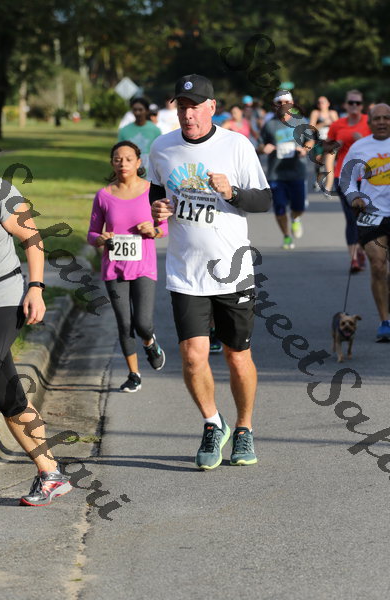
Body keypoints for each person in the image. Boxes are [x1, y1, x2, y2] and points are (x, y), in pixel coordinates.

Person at [149, 73, 271, 470]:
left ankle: (244, 427)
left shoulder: (236, 145)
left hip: (231, 270)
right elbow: (156, 194)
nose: (188, 115)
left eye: (195, 107)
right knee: (192, 356)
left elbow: (264, 200)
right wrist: (157, 209)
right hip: (186, 270)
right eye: (182, 107)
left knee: (237, 356)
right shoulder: (162, 147)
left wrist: (232, 192)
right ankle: (212, 422)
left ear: (212, 107)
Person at [0, 175, 72, 506]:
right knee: (8, 397)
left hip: (2, 296)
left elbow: (31, 237)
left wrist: (36, 288)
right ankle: (50, 473)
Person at [87, 141, 168, 392]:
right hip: (114, 268)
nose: (123, 163)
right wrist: (100, 239)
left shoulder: (152, 191)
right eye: (118, 159)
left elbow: (164, 228)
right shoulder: (103, 195)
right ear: (112, 163)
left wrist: (153, 230)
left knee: (142, 323)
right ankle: (134, 374)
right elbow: (91, 234)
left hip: (144, 266)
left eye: (129, 159)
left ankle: (150, 342)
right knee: (124, 323)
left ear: (139, 162)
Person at [340, 103, 390, 341]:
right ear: (369, 122)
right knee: (378, 266)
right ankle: (385, 321)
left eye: (386, 118)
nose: (382, 122)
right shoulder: (360, 147)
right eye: (377, 118)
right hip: (372, 215)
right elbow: (346, 178)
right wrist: (354, 196)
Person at [324, 89, 371, 271]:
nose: (354, 106)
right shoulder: (338, 125)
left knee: (365, 218)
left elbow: (379, 145)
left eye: (357, 103)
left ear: (362, 105)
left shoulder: (369, 122)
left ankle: (361, 248)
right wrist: (337, 145)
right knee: (351, 218)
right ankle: (354, 258)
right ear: (345, 105)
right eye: (351, 102)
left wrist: (363, 140)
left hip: (367, 178)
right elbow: (326, 148)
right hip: (344, 177)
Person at [258, 90, 309, 249]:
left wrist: (305, 150)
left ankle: (296, 218)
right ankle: (286, 236)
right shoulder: (270, 125)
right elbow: (259, 145)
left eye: (286, 102)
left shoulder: (300, 121)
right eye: (279, 103)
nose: (283, 105)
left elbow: (310, 141)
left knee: (299, 207)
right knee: (279, 207)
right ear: (274, 105)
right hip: (276, 174)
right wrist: (263, 148)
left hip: (297, 172)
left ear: (292, 104)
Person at [117, 98, 161, 176]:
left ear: (147, 111)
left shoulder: (155, 130)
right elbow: (119, 152)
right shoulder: (124, 130)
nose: (137, 112)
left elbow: (159, 152)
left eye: (140, 110)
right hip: (130, 174)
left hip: (150, 174)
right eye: (135, 110)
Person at [309, 96, 338, 190]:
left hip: (331, 142)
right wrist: (323, 123)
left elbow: (338, 127)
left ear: (328, 103)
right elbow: (311, 129)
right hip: (319, 142)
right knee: (319, 163)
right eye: (319, 102)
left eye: (323, 102)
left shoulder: (332, 113)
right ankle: (319, 179)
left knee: (329, 165)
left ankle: (328, 188)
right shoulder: (315, 113)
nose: (321, 104)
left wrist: (332, 123)